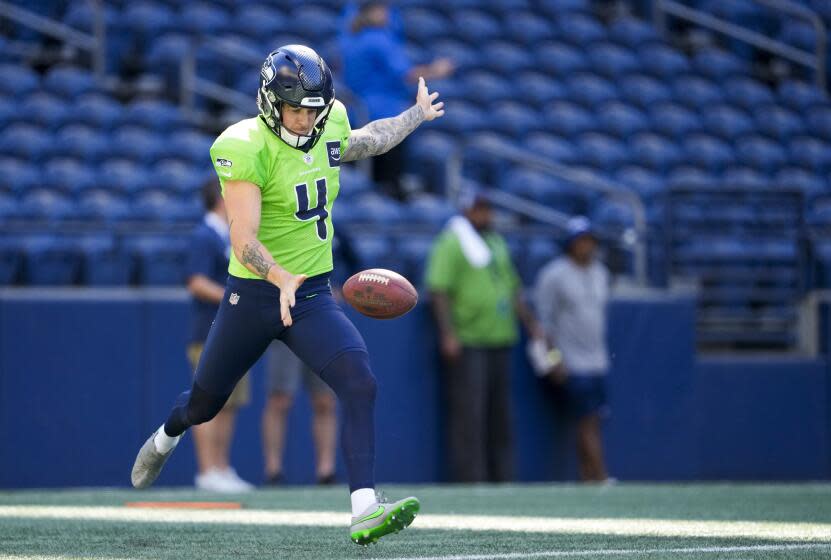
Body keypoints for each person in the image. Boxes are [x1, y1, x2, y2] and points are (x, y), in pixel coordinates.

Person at [131, 44, 444, 545]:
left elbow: (366, 140)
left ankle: (363, 507)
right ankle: (167, 435)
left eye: (311, 109)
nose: (304, 120)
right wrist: (278, 277)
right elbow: (243, 238)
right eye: (295, 109)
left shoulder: (329, 122)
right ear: (270, 102)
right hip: (255, 294)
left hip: (313, 293)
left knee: (360, 382)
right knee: (204, 404)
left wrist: (414, 115)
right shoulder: (245, 144)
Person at [425, 191, 544, 483]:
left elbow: (512, 287)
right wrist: (448, 333)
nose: (486, 215)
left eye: (488, 209)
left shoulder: (495, 241)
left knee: (500, 415)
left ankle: (503, 478)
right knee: (470, 415)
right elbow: (438, 290)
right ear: (467, 211)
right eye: (480, 209)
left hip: (501, 337)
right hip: (469, 339)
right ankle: (471, 480)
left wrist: (532, 325)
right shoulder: (451, 242)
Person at [262, 229, 360, 486]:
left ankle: (326, 469)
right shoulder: (286, 225)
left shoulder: (336, 232)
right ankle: (273, 469)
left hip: (323, 320)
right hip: (286, 317)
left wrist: (343, 290)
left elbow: (358, 269)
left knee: (325, 399)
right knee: (280, 398)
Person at [342, 0, 453, 199]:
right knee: (388, 181)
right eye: (381, 9)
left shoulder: (353, 39)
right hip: (385, 113)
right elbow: (406, 74)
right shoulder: (378, 39)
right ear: (370, 13)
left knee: (366, 177)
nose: (386, 14)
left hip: (358, 113)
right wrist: (437, 70)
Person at [184, 179, 254, 493]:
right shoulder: (203, 235)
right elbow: (196, 282)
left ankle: (222, 467)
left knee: (231, 402)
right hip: (209, 331)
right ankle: (207, 469)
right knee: (207, 401)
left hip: (235, 332)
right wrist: (234, 296)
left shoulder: (231, 235)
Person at [534, 217, 611, 482]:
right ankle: (600, 476)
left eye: (590, 240)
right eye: (581, 240)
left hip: (598, 360)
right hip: (572, 361)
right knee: (586, 420)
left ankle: (587, 477)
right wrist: (553, 359)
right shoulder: (554, 275)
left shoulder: (601, 273)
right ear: (569, 244)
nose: (586, 246)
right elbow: (544, 325)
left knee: (592, 421)